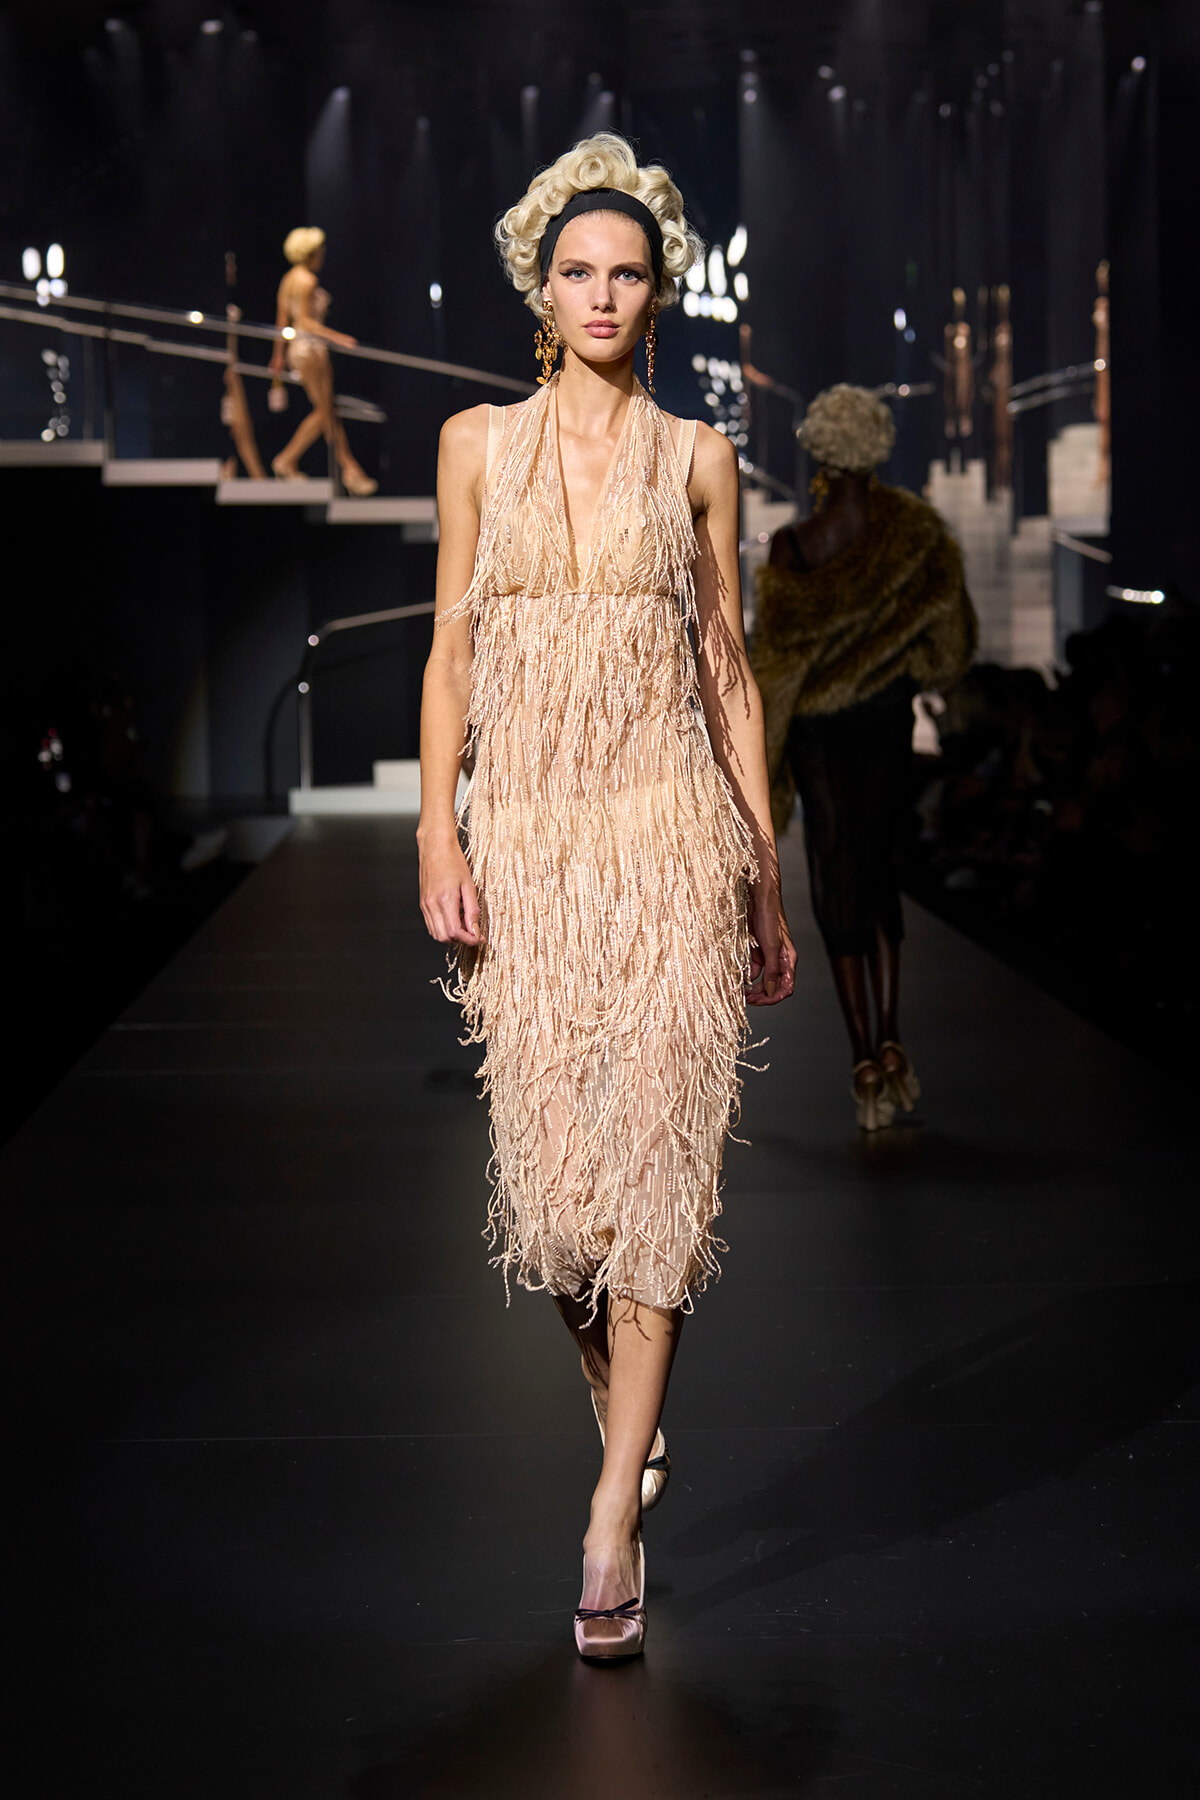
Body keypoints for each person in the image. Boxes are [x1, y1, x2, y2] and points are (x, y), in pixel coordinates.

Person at [417, 132, 794, 1661]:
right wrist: (439, 834)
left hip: (667, 839)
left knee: (659, 1185)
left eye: (629, 272)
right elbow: (448, 654)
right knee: (561, 1204)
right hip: (533, 846)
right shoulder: (472, 445)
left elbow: (729, 674)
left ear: (661, 292)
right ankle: (619, 1414)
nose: (602, 292)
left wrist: (764, 879)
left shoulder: (698, 454)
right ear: (538, 279)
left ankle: (609, 1523)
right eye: (578, 268)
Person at [751, 384, 976, 1130]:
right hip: (882, 719)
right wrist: (902, 668)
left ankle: (863, 1059)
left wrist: (762, 756)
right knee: (880, 869)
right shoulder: (915, 534)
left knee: (834, 871)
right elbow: (951, 644)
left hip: (817, 730)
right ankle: (893, 1037)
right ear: (874, 446)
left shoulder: (794, 548)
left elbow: (775, 669)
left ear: (819, 448)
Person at [267, 226, 377, 495]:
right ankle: (288, 459)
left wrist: (278, 356)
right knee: (325, 412)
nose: (323, 254)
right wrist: (338, 337)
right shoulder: (307, 281)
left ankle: (350, 470)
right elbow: (303, 321)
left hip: (298, 349)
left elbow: (283, 322)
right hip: (312, 349)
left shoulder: (288, 279)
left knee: (326, 411)